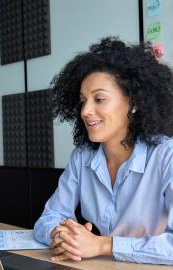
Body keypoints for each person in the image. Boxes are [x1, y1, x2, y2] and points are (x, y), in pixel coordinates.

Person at [33, 37, 173, 265]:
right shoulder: (82, 156)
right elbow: (48, 218)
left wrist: (101, 244)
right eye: (83, 101)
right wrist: (63, 237)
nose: (86, 111)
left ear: (134, 102)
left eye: (99, 99)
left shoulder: (167, 156)